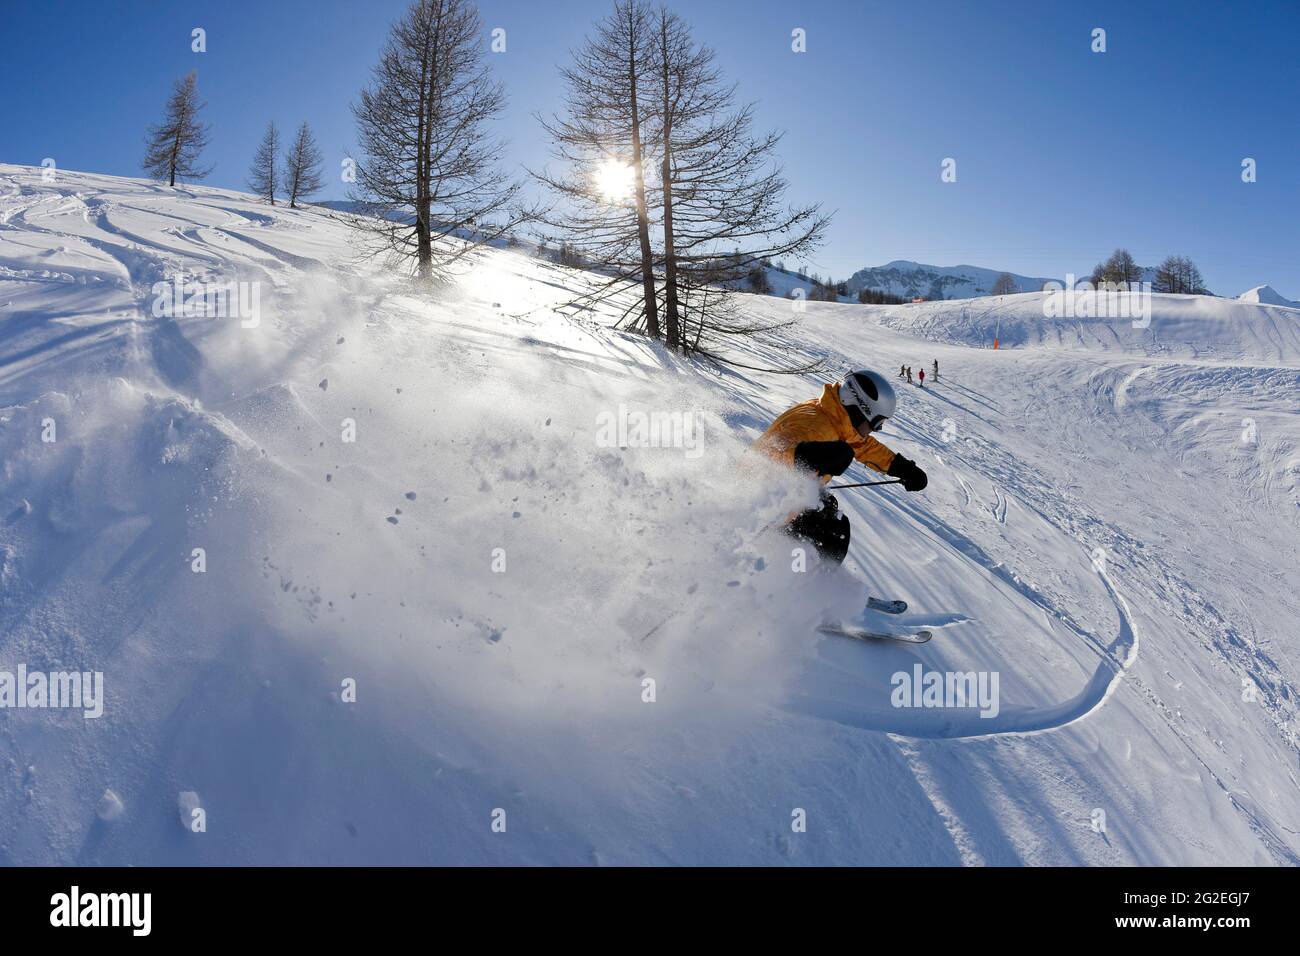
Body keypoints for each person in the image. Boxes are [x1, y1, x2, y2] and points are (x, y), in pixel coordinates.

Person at [754, 370, 928, 565]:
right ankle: (799, 586)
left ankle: (808, 580)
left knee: (831, 517)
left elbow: (862, 445)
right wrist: (805, 455)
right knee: (830, 533)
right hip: (761, 506)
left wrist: (901, 468)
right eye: (877, 423)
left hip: (787, 497)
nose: (876, 429)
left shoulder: (835, 418)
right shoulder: (814, 425)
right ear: (859, 409)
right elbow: (773, 454)